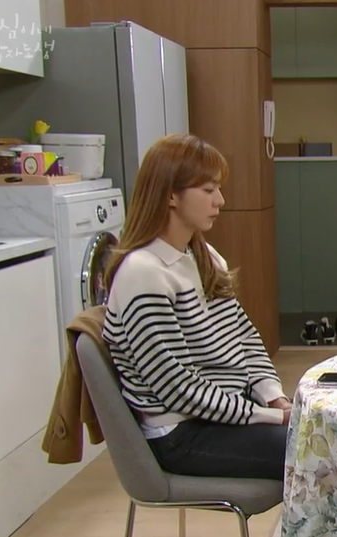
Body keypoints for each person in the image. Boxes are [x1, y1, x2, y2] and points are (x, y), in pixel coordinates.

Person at [102, 133, 291, 480]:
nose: (220, 200)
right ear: (170, 195)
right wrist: (270, 417)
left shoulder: (204, 256)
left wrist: (273, 397)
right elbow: (178, 389)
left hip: (223, 414)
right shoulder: (143, 273)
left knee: (324, 437)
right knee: (320, 451)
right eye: (208, 189)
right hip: (182, 433)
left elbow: (243, 337)